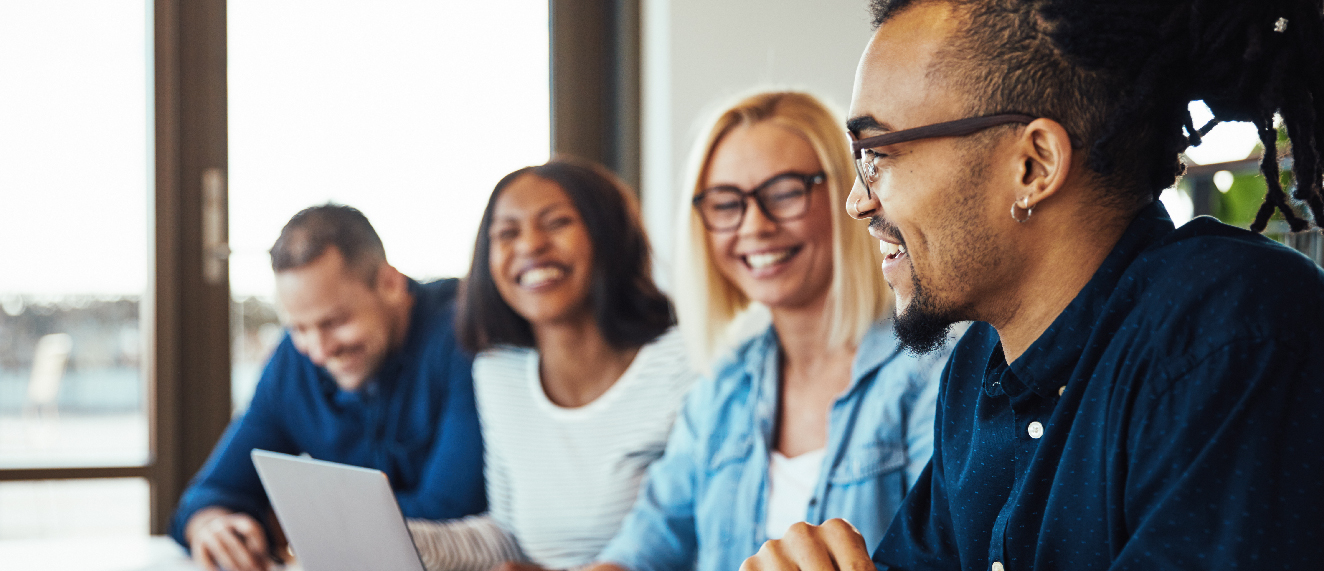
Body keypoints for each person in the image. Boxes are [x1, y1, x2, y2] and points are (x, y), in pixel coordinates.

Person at [743, 1, 1324, 570]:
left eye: (878, 154)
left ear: (1034, 165)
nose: (857, 202)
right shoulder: (978, 368)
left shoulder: (1231, 333)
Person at [587, 91, 951, 571]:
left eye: (783, 193)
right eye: (726, 202)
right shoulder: (720, 392)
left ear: (850, 194)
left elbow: (948, 554)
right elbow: (644, 548)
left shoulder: (933, 373)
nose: (754, 226)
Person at [406, 158, 698, 571]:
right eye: (507, 233)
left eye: (557, 222)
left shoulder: (685, 363)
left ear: (609, 237)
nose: (529, 245)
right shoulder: (498, 372)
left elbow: (701, 538)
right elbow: (509, 536)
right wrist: (400, 539)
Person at [169, 204, 485, 571]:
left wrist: (285, 523)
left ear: (390, 283)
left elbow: (448, 514)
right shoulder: (293, 359)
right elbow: (212, 490)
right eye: (299, 328)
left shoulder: (465, 332)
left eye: (334, 322)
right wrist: (210, 524)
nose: (318, 351)